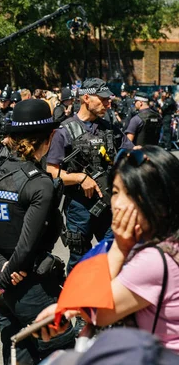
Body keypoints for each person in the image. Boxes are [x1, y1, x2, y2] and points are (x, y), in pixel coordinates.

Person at [35, 146, 179, 353]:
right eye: (116, 192)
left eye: (131, 195)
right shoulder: (158, 243)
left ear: (162, 203)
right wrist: (70, 309)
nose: (118, 204)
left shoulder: (154, 259)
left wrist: (118, 250)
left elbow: (99, 312)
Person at [0, 99, 75, 365]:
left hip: (4, 285)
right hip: (31, 288)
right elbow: (26, 246)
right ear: (50, 137)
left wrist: (1, 270)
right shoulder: (39, 183)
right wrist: (3, 280)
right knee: (64, 357)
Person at [46, 78, 134, 274]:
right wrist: (80, 178)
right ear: (86, 98)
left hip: (109, 203)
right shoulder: (65, 131)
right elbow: (51, 170)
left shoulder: (109, 128)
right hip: (80, 206)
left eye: (108, 100)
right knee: (80, 260)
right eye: (102, 99)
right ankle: (76, 302)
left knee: (116, 255)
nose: (107, 104)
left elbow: (131, 151)